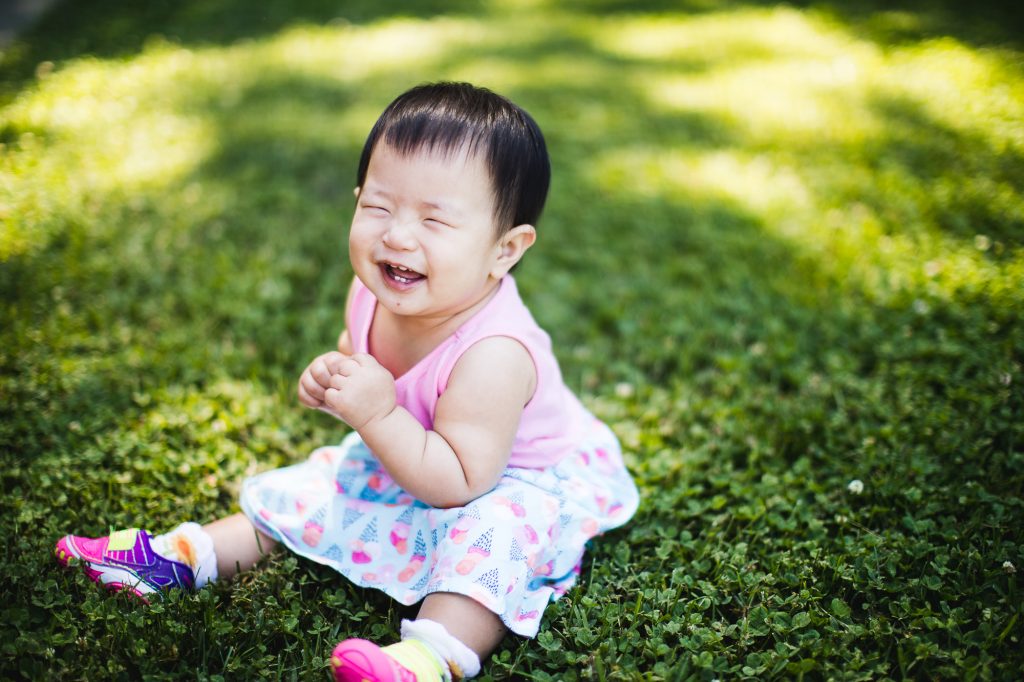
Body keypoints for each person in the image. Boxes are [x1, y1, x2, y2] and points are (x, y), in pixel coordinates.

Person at [55, 82, 640, 681]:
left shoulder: (494, 356)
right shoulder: (371, 291)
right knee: (318, 484)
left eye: (435, 220)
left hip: (505, 473)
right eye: (379, 207)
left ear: (505, 250)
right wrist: (338, 374)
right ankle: (182, 556)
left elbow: (460, 484)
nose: (397, 236)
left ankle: (429, 657)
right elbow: (361, 358)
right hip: (419, 446)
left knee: (493, 536)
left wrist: (380, 417)